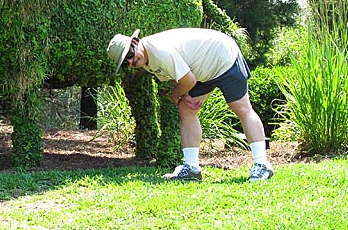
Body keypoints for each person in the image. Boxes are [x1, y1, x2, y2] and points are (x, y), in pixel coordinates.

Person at [106, 27, 273, 182]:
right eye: (125, 63)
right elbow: (176, 76)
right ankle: (192, 168)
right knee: (186, 110)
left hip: (223, 57)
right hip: (201, 70)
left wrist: (176, 96)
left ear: (135, 42)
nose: (131, 61)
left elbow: (188, 80)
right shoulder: (146, 59)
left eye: (129, 53)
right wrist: (184, 96)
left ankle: (263, 165)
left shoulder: (159, 51)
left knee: (241, 108)